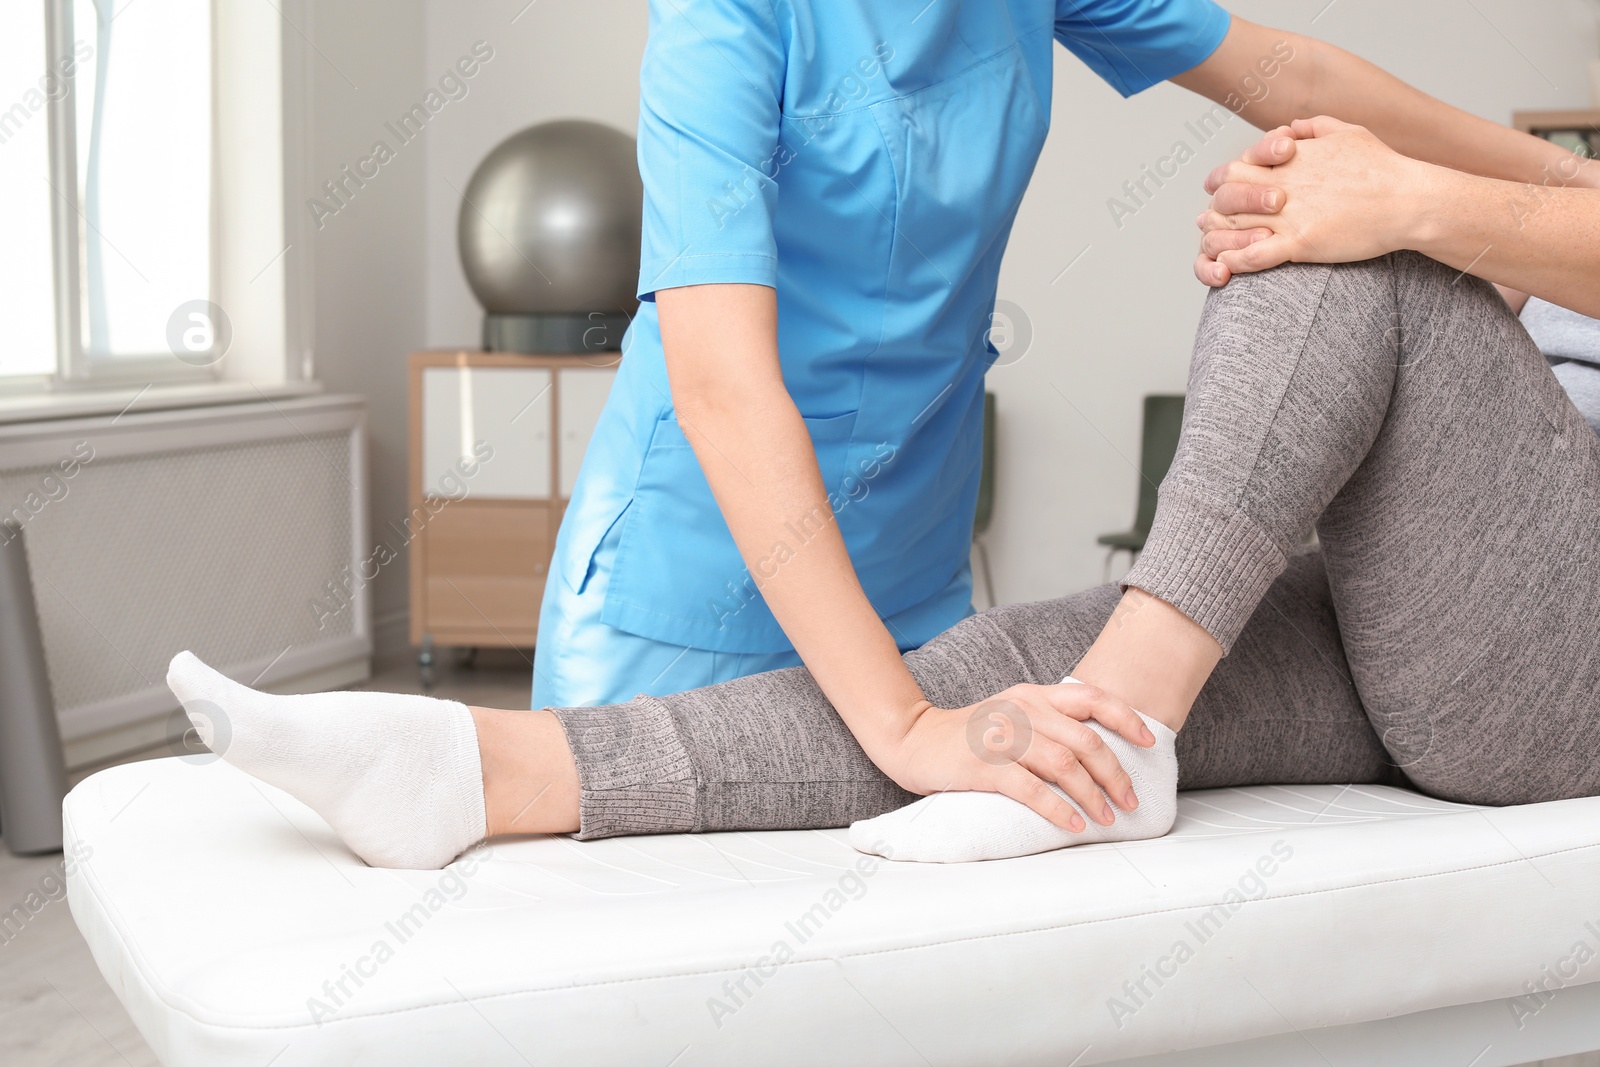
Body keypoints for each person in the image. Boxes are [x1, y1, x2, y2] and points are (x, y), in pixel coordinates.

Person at [164, 118, 1600, 868]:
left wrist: (1409, 204)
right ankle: (476, 773)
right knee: (996, 706)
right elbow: (1271, 64)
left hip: (1569, 647)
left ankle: (1136, 723)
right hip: (1465, 612)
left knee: (1348, 249)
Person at [530, 0, 1600, 754]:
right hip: (695, 573)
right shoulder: (725, 16)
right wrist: (901, 725)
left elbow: (1292, 77)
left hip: (913, 566)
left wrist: (1565, 186)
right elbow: (721, 382)